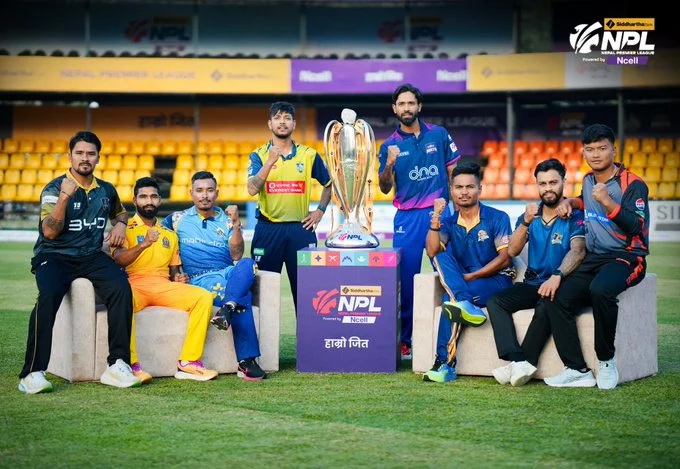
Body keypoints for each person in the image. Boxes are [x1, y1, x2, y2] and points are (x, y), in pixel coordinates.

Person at [18, 130, 140, 394]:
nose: (85, 158)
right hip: (54, 254)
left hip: (91, 255)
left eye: (90, 154)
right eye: (80, 153)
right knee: (48, 295)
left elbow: (120, 213)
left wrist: (120, 225)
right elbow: (49, 232)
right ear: (70, 156)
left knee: (121, 288)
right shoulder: (54, 189)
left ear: (98, 158)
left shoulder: (106, 189)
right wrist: (65, 197)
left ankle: (117, 364)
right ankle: (32, 373)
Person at [546, 123, 649, 389]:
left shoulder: (633, 184)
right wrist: (570, 202)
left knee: (600, 290)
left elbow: (636, 226)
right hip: (595, 257)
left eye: (602, 148)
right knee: (557, 296)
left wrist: (607, 201)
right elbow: (584, 200)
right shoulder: (588, 180)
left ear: (614, 150)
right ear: (583, 152)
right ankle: (576, 369)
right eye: (590, 149)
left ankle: (606, 361)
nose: (595, 154)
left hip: (628, 256)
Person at [378, 83, 461, 359]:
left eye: (411, 103)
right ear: (394, 109)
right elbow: (384, 188)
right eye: (401, 104)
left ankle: (453, 333)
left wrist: (455, 207)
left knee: (449, 274)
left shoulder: (438, 134)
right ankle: (405, 340)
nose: (406, 108)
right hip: (408, 218)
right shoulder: (389, 145)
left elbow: (453, 171)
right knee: (407, 281)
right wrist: (389, 164)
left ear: (419, 106)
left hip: (440, 213)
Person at [486, 158, 586, 387]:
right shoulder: (531, 215)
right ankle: (517, 359)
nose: (548, 188)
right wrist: (525, 222)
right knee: (495, 302)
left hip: (561, 284)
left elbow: (578, 251)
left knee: (546, 303)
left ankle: (522, 363)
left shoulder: (574, 215)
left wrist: (558, 276)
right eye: (543, 183)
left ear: (564, 182)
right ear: (537, 185)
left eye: (553, 182)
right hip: (533, 283)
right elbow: (512, 251)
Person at [111, 177, 218, 384]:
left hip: (163, 285)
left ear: (160, 200)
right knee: (123, 300)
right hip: (134, 285)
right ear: (134, 201)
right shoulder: (125, 229)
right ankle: (131, 365)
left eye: (153, 196)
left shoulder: (169, 234)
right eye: (143, 197)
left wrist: (179, 278)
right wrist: (144, 244)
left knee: (203, 297)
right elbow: (118, 260)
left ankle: (188, 362)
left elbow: (174, 272)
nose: (148, 201)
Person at [163, 171, 266, 381]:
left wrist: (236, 224)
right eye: (199, 190)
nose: (204, 195)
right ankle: (246, 361)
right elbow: (161, 246)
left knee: (248, 263)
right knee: (243, 297)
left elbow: (236, 256)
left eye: (209, 190)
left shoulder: (227, 220)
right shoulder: (176, 219)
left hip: (228, 272)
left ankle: (227, 308)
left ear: (216, 193)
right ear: (191, 193)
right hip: (200, 278)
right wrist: (173, 274)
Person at [423, 162, 514, 383]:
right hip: (465, 284)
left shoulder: (497, 217)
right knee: (439, 255)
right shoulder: (448, 222)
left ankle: (444, 365)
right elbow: (432, 251)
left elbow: (505, 259)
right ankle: (462, 300)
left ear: (479, 189)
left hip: (496, 280)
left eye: (470, 187)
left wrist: (472, 277)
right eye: (459, 187)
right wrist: (435, 217)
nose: (464, 192)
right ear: (451, 190)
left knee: (451, 300)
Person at [247, 101, 332, 315]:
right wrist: (270, 162)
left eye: (287, 118)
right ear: (270, 124)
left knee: (307, 292)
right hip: (268, 230)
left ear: (294, 124)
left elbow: (329, 184)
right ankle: (262, 338)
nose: (282, 122)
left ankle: (308, 336)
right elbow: (252, 189)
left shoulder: (308, 155)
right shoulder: (258, 155)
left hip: (300, 230)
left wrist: (320, 211)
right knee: (263, 292)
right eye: (277, 117)